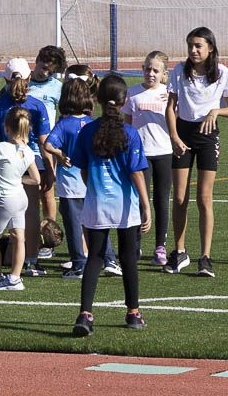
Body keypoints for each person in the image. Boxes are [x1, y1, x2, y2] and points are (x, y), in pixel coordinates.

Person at [71, 74, 151, 336]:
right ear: (124, 100)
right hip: (125, 205)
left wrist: (93, 187)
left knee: (94, 257)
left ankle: (85, 314)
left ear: (96, 99)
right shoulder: (129, 133)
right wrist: (146, 205)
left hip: (96, 203)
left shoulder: (88, 131)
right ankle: (133, 313)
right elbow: (136, 172)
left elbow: (82, 169)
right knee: (128, 258)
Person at [165, 27, 227, 276]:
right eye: (190, 45)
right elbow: (170, 107)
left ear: (210, 47)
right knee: (179, 198)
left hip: (207, 137)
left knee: (204, 198)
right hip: (183, 135)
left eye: (199, 45)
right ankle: (180, 252)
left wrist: (216, 111)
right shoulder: (180, 71)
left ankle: (205, 257)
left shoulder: (222, 72)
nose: (193, 50)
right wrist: (174, 137)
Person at [0, 58, 51, 275]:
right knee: (30, 213)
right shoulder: (37, 105)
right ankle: (30, 260)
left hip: (5, 162)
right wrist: (50, 169)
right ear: (29, 78)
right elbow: (44, 142)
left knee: (0, 212)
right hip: (32, 160)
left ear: (5, 78)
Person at [0, 108, 40, 291]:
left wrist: (0, 173)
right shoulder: (28, 151)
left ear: (7, 128)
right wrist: (18, 178)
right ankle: (14, 277)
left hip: (5, 198)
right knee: (19, 238)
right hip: (20, 197)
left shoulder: (1, 148)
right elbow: (36, 179)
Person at [44, 78, 97, 279]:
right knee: (95, 222)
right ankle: (106, 259)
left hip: (70, 184)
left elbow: (48, 144)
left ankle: (79, 264)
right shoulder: (92, 123)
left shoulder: (64, 124)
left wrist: (60, 155)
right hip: (92, 182)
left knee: (74, 224)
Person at [124, 51, 173, 266]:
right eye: (147, 69)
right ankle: (134, 244)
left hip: (163, 152)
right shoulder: (133, 93)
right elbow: (127, 124)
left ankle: (160, 246)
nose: (150, 73)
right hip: (139, 156)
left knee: (161, 199)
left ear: (164, 74)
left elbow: (176, 120)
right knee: (137, 200)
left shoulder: (169, 93)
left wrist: (172, 101)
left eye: (155, 70)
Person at [28, 45, 66, 241]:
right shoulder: (24, 83)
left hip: (45, 147)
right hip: (22, 147)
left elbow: (66, 113)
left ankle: (48, 235)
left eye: (51, 70)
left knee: (47, 192)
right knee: (25, 195)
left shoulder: (56, 88)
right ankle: (26, 235)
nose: (46, 73)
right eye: (44, 67)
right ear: (37, 60)